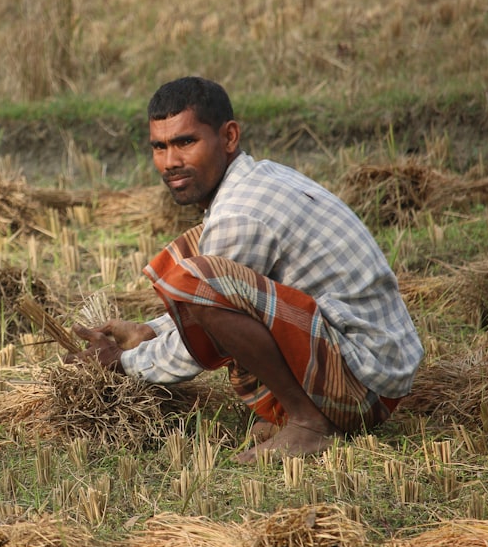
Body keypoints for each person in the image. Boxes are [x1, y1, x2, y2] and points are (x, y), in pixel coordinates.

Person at [69, 76, 424, 462]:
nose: (170, 162)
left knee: (201, 275)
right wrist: (149, 331)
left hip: (364, 382)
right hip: (365, 365)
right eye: (160, 146)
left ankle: (310, 424)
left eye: (186, 142)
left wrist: (123, 364)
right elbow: (220, 301)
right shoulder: (255, 180)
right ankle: (304, 411)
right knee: (199, 262)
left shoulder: (240, 213)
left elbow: (210, 324)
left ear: (229, 137)